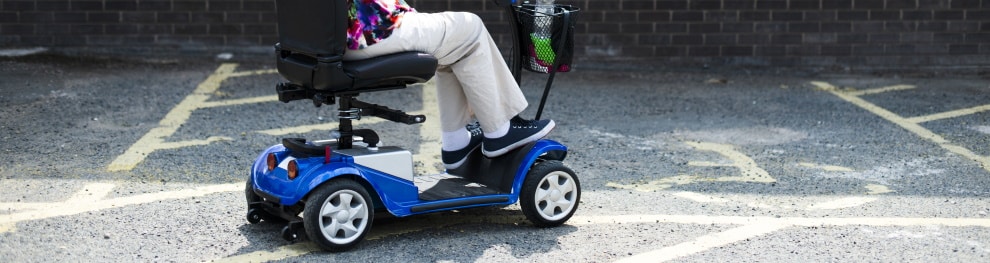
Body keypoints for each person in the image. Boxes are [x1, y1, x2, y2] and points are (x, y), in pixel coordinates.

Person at [343, 0, 554, 170]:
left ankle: (456, 142)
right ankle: (500, 132)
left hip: (343, 37)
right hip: (371, 30)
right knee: (470, 28)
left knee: (451, 46)